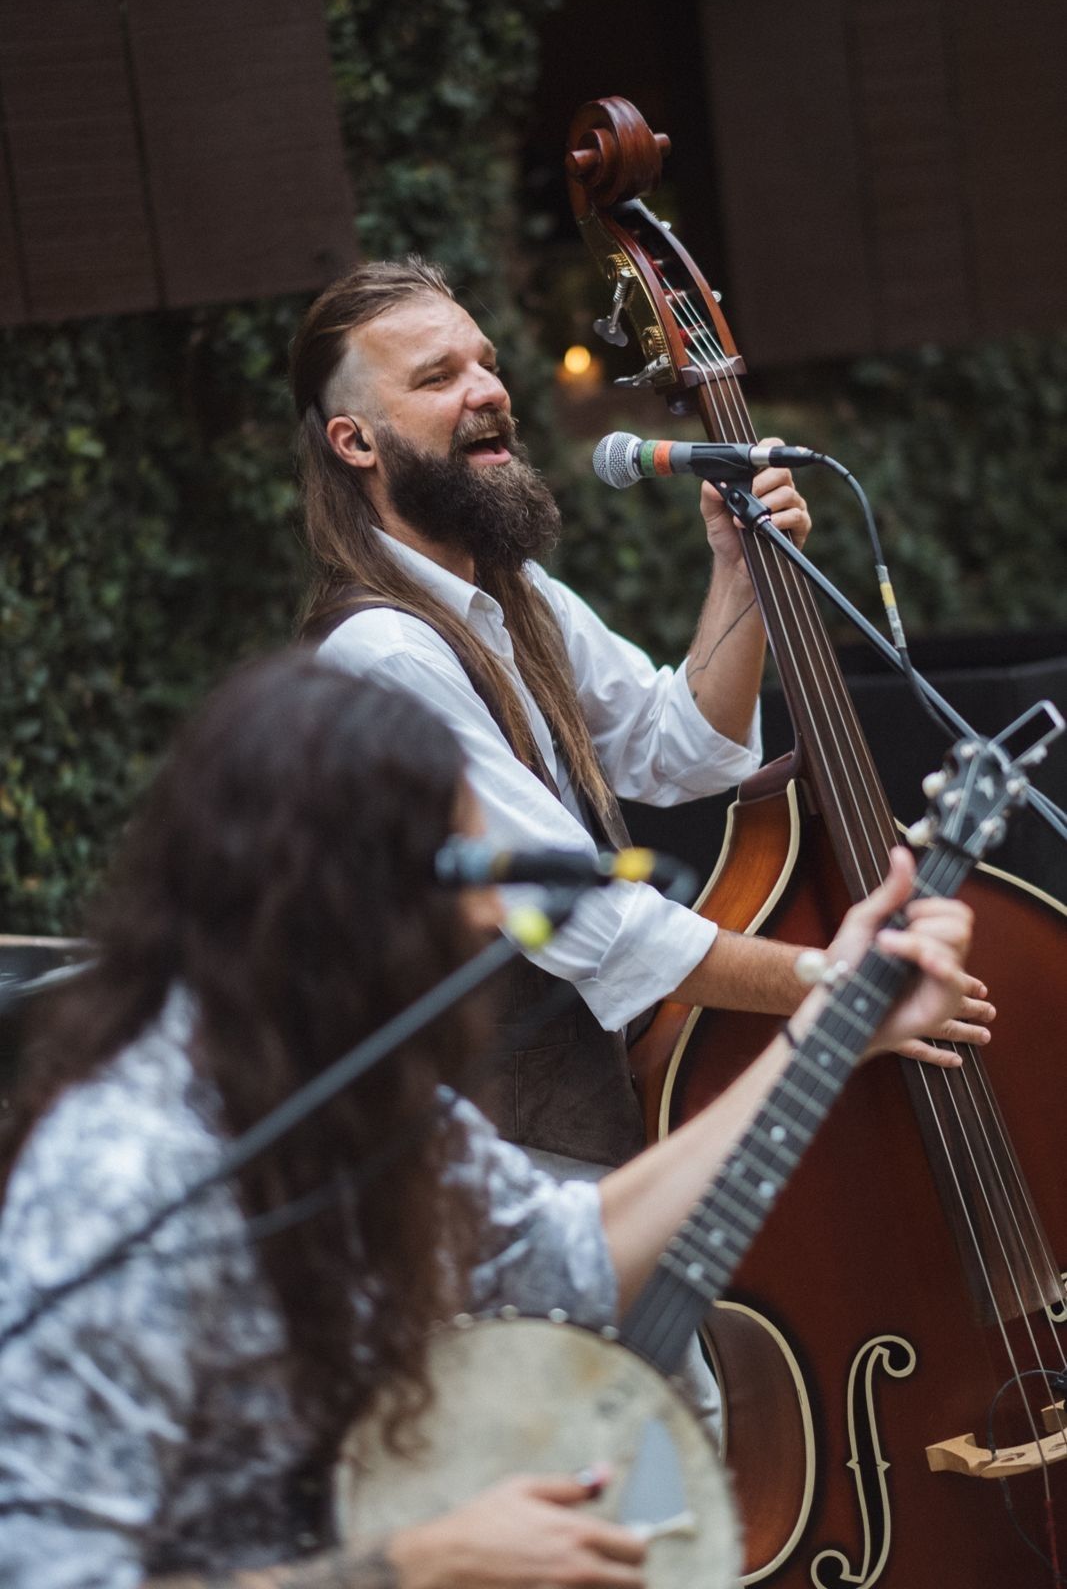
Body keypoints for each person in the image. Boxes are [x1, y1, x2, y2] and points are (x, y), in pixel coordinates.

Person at [0, 654, 974, 1589]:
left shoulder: (358, 1095)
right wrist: (417, 1566)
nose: (482, 917)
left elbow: (573, 1256)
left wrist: (828, 1027)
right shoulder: (128, 1172)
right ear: (332, 896)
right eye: (457, 871)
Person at [289, 257, 994, 1172]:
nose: (487, 391)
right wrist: (845, 986)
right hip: (475, 1177)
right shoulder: (382, 656)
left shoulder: (516, 597)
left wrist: (740, 571)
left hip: (580, 1143)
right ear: (356, 442)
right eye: (437, 377)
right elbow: (592, 920)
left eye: (486, 362)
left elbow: (682, 750)